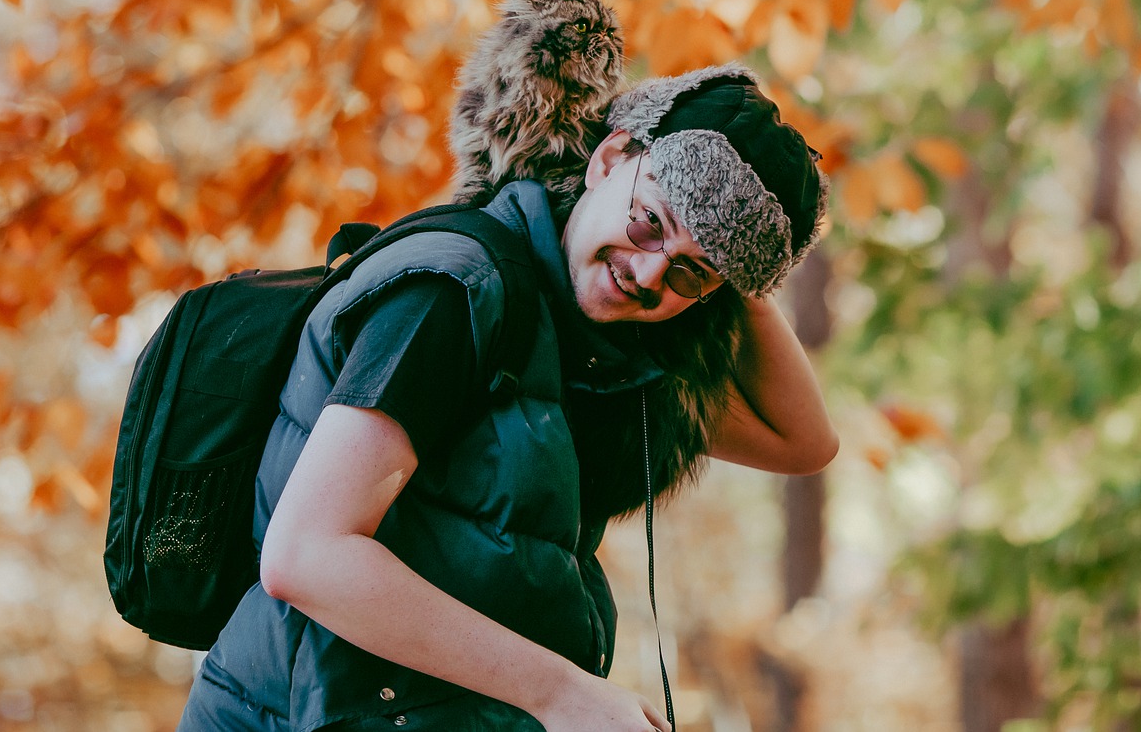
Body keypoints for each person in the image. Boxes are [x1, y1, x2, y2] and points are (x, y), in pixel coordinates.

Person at [175, 62, 837, 732]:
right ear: (609, 159)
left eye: (690, 272)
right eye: (648, 222)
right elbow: (305, 554)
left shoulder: (604, 344)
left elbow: (806, 441)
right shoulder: (455, 292)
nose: (646, 273)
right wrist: (562, 692)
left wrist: (731, 257)